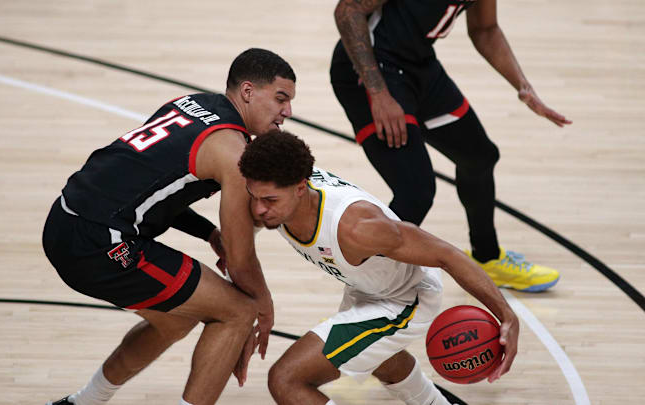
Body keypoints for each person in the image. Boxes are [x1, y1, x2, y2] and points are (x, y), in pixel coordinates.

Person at [42, 48, 296, 405]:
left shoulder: (190, 103)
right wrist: (264, 306)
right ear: (249, 92)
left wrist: (208, 233)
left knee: (174, 320)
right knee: (238, 311)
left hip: (64, 218)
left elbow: (147, 184)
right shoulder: (232, 152)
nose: (288, 111)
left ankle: (82, 403)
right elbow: (240, 261)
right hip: (101, 243)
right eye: (281, 98)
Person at [238, 131, 519, 405]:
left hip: (407, 298)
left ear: (301, 187)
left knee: (286, 379)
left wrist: (506, 315)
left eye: (270, 201)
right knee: (379, 358)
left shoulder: (359, 228)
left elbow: (448, 255)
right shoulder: (278, 180)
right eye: (255, 197)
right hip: (367, 286)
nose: (259, 209)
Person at [329, 0, 572, 292]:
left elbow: (485, 29)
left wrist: (523, 86)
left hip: (418, 65)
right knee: (415, 191)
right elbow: (347, 10)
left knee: (479, 157)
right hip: (368, 70)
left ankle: (487, 257)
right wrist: (378, 93)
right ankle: (364, 288)